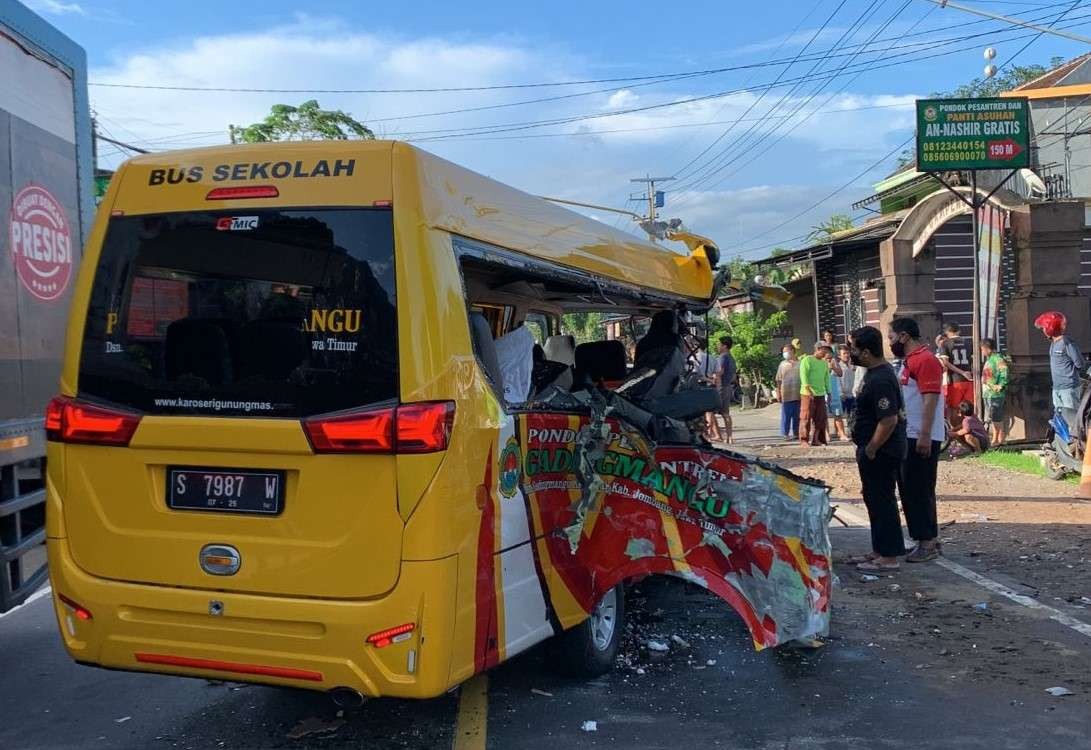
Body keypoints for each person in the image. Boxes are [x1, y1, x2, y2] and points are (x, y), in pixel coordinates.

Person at [845, 326, 908, 572]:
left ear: (867, 352)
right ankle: (879, 550)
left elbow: (888, 419)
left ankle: (889, 557)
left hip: (882, 450)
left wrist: (871, 448)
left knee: (882, 500)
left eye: (854, 349)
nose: (851, 353)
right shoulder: (873, 373)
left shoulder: (881, 378)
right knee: (873, 498)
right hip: (871, 448)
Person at [889, 317, 946, 563]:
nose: (890, 342)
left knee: (919, 489)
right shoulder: (911, 361)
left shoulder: (925, 360)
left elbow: (930, 398)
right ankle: (923, 538)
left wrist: (924, 434)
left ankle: (927, 541)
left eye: (891, 337)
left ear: (904, 336)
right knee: (910, 489)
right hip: (910, 433)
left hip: (920, 435)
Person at [1034, 311, 1087, 431]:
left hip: (1069, 388)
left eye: (1044, 327)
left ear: (1050, 327)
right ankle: (1062, 443)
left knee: (1072, 419)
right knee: (1059, 419)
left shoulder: (1067, 342)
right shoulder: (1053, 344)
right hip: (1057, 388)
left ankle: (1076, 445)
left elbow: (1079, 363)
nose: (1043, 330)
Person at [938, 322, 973, 427]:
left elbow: (945, 363)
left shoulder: (946, 343)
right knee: (968, 408)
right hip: (969, 379)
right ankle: (967, 431)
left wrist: (961, 372)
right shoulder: (967, 342)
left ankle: (956, 434)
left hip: (954, 380)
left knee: (953, 408)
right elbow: (972, 359)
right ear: (959, 330)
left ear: (947, 332)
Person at [799, 343, 831, 446]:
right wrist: (808, 389)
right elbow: (803, 375)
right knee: (806, 417)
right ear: (818, 349)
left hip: (820, 394)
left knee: (820, 417)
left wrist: (829, 392)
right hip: (808, 394)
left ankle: (816, 439)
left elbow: (827, 378)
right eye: (824, 351)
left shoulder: (824, 363)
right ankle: (804, 440)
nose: (826, 353)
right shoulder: (807, 360)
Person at [980, 337, 1009, 447]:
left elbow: (1004, 372)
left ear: (987, 348)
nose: (982, 352)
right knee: (993, 415)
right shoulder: (989, 359)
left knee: (996, 415)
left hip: (995, 393)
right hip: (988, 392)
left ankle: (997, 438)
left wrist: (1001, 385)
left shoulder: (998, 359)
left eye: (982, 349)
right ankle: (998, 438)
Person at [775, 344, 802, 440]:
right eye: (784, 352)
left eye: (786, 351)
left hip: (798, 394)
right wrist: (778, 392)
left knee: (797, 415)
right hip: (786, 394)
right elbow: (778, 380)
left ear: (793, 351)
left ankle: (796, 433)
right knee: (786, 415)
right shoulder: (782, 364)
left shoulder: (800, 363)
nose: (785, 354)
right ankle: (785, 434)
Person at [714, 336, 737, 444]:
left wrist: (712, 377)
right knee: (726, 413)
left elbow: (720, 372)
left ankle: (716, 435)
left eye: (719, 344)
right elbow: (733, 376)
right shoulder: (732, 358)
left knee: (711, 412)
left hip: (721, 386)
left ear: (724, 346)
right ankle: (730, 436)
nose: (718, 346)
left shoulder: (723, 357)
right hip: (728, 386)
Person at [827, 345, 850, 441]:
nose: (828, 356)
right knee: (824, 414)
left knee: (837, 413)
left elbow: (839, 374)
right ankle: (826, 434)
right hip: (823, 390)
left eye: (830, 354)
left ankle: (842, 433)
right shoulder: (818, 363)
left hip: (834, 391)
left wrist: (832, 367)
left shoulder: (834, 362)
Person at [837, 344, 863, 417]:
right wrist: (841, 393)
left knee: (853, 417)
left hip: (853, 396)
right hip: (843, 397)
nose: (846, 355)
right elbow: (836, 382)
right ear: (839, 356)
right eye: (844, 353)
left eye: (848, 353)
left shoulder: (854, 366)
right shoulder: (837, 367)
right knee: (839, 417)